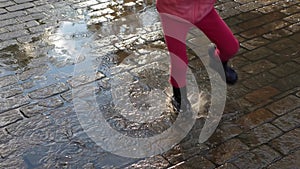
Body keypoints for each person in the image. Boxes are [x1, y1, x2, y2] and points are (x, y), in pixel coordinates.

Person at [156, 0, 239, 112]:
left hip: (203, 10)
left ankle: (218, 62)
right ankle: (178, 97)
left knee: (230, 47)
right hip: (174, 14)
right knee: (179, 63)